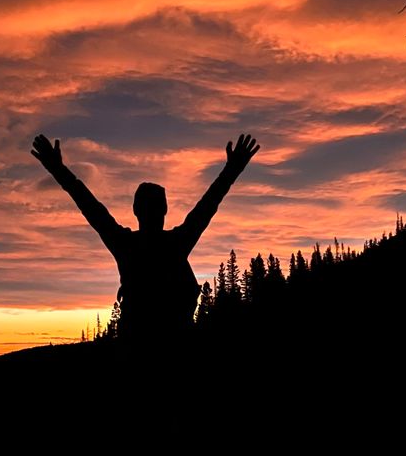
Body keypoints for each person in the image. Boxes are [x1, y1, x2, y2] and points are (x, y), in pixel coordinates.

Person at [31, 132, 260, 344]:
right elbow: (208, 204)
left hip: (138, 344)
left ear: (135, 210)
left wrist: (58, 169)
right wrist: (232, 169)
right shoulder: (177, 242)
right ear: (165, 210)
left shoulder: (125, 244)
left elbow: (89, 205)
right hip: (173, 343)